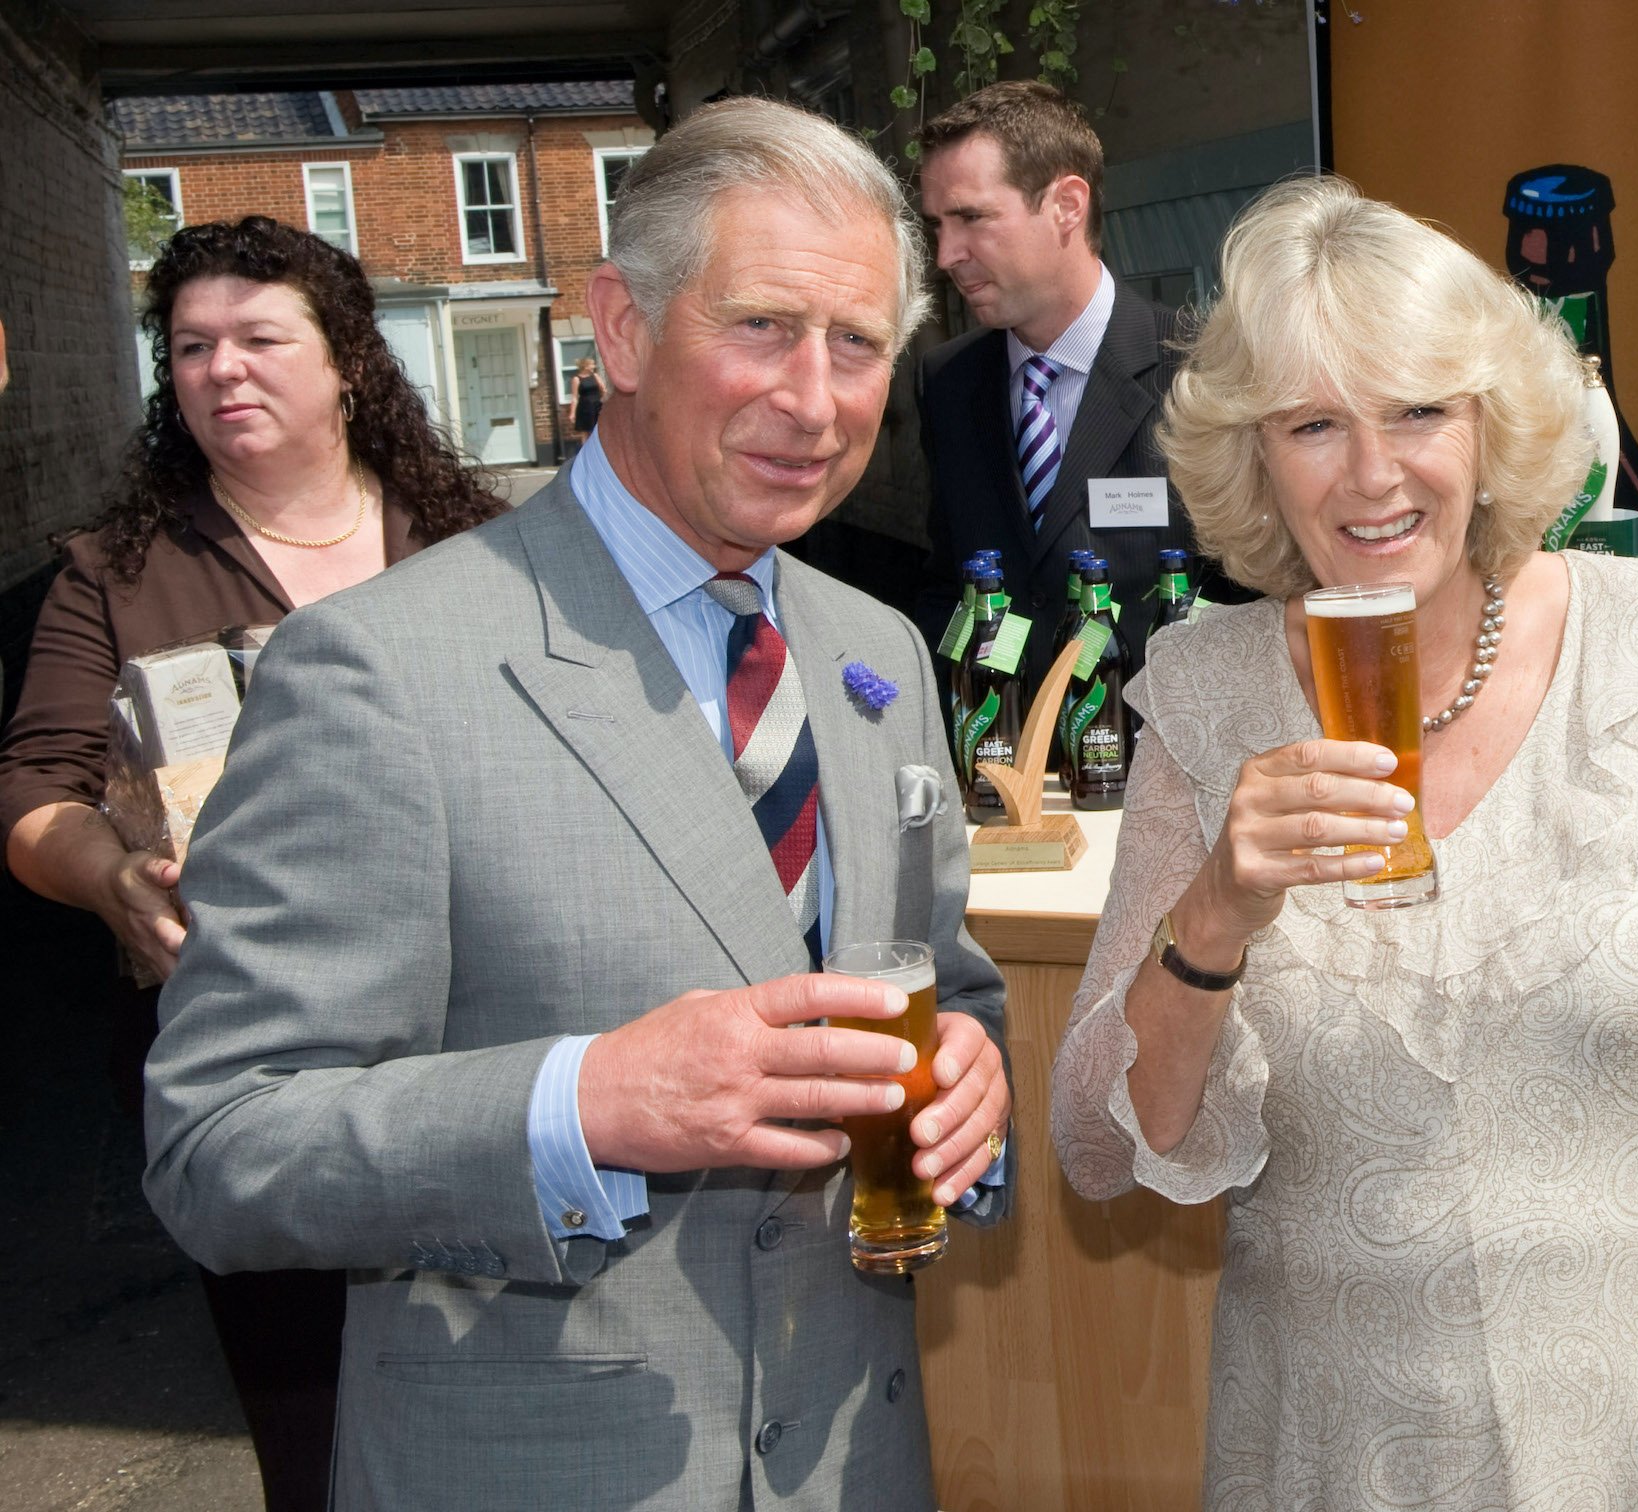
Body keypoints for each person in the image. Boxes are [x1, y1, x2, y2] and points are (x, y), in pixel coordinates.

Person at [141, 97, 1010, 1510]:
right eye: (761, 327)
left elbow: (946, 986)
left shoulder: (876, 653)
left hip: (857, 1460)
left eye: (857, 343)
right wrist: (584, 1103)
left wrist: (973, 1082)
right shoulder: (379, 670)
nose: (816, 397)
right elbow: (220, 1145)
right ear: (619, 326)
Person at [1051, 177, 1638, 1512]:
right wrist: (1216, 911)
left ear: (1490, 424)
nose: (1374, 472)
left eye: (1417, 412)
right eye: (1313, 425)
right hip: (1338, 1443)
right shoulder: (1202, 695)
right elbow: (1101, 1151)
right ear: (1255, 456)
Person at [0, 216, 504, 1511]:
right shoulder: (114, 575)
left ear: (346, 361)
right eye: (189, 346)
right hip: (253, 1062)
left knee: (513, 1399)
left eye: (259, 338)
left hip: (487, 1038)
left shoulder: (478, 548)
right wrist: (106, 873)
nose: (222, 368)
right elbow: (34, 791)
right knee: (319, 1433)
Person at [915, 80, 1243, 689]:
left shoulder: (1204, 369)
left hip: (1166, 761)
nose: (946, 254)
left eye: (972, 218)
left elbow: (1250, 594)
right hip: (998, 757)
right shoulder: (947, 382)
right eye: (937, 225)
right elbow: (950, 581)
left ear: (1067, 205)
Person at [566, 354, 603, 438]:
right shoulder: (577, 379)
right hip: (585, 407)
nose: (594, 366)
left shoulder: (595, 376)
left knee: (599, 430)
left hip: (597, 405)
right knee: (586, 432)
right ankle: (586, 449)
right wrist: (572, 413)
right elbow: (575, 397)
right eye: (592, 365)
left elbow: (603, 389)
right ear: (585, 366)